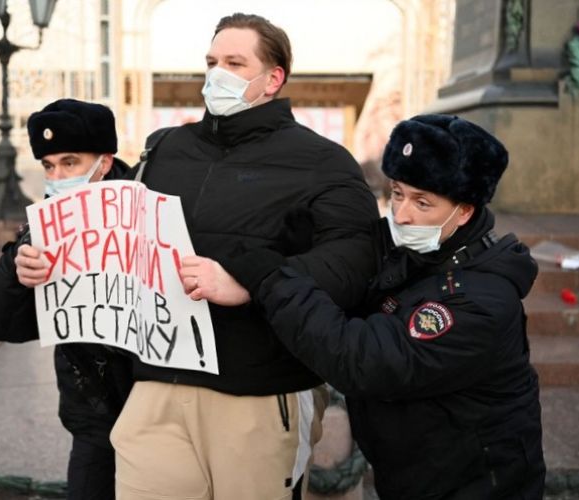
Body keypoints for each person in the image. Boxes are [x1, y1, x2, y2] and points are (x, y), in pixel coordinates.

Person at [109, 13, 380, 500]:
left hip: (258, 390)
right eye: (212, 61)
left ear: (272, 78)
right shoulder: (165, 149)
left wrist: (253, 283)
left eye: (235, 62)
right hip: (157, 387)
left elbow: (354, 261)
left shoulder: (323, 161)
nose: (217, 73)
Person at [205, 114, 545, 499]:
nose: (401, 214)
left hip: (476, 486)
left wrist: (271, 279)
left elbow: (359, 358)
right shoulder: (416, 252)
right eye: (397, 193)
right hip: (415, 475)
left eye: (422, 202)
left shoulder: (479, 300)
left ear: (464, 211)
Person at [0, 99, 134, 500]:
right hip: (90, 417)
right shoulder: (42, 227)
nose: (58, 176)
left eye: (70, 162)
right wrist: (16, 268)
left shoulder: (147, 211)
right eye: (49, 166)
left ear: (104, 162)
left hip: (153, 411)